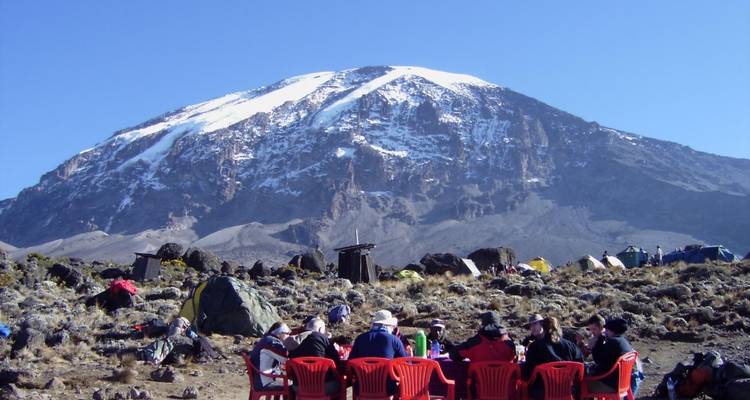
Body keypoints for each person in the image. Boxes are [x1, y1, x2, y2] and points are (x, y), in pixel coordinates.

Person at [522, 317, 584, 400]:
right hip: (568, 390)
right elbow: (580, 369)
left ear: (543, 328)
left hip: (543, 391)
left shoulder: (535, 347)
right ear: (559, 328)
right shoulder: (571, 346)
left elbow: (527, 374)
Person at [350, 310, 407, 396]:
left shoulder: (360, 339)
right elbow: (404, 363)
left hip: (362, 387)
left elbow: (351, 362)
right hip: (386, 388)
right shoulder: (394, 340)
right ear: (389, 326)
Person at [289, 317, 342, 396]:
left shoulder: (295, 339)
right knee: (341, 383)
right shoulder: (323, 338)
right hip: (324, 385)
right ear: (320, 329)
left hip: (298, 386)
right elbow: (336, 360)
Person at [585, 318, 634, 393]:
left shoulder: (613, 342)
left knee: (580, 384)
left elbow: (598, 360)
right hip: (622, 384)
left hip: (610, 385)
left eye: (607, 330)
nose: (606, 333)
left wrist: (594, 346)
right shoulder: (623, 341)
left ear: (612, 331)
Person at [449, 311, 515, 362]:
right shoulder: (509, 343)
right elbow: (515, 359)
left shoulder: (474, 342)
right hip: (504, 379)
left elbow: (453, 355)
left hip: (478, 379)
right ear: (498, 324)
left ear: (483, 324)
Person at [248, 322, 291, 390]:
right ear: (280, 333)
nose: (289, 336)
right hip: (264, 382)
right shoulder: (271, 342)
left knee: (292, 384)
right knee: (294, 387)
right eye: (287, 333)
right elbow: (286, 358)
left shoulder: (267, 339)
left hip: (259, 379)